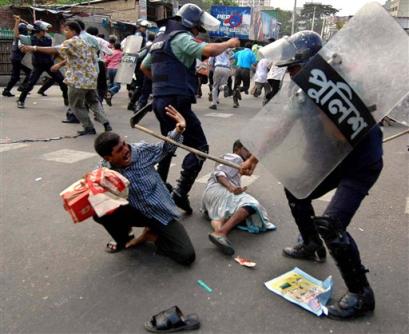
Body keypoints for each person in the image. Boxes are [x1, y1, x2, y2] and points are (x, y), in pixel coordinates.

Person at [241, 31, 383, 320]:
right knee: (296, 189)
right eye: (289, 70)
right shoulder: (303, 90)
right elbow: (282, 127)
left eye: (295, 68)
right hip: (331, 161)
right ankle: (310, 242)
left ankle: (361, 293)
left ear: (314, 64)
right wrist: (254, 159)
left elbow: (338, 135)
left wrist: (321, 109)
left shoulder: (344, 86)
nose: (291, 75)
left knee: (332, 224)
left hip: (360, 163)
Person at [141, 3, 240, 214]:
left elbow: (144, 67)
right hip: (176, 104)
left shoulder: (160, 39)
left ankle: (157, 190)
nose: (199, 33)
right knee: (200, 148)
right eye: (198, 29)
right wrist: (229, 43)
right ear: (191, 25)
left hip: (161, 101)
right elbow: (208, 49)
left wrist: (161, 88)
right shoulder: (180, 37)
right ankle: (180, 192)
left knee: (169, 146)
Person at [93, 105, 195, 266]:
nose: (127, 150)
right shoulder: (104, 170)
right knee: (99, 211)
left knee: (186, 255)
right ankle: (124, 238)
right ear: (108, 157)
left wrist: (179, 130)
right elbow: (96, 194)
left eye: (125, 144)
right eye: (120, 150)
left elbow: (166, 147)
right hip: (136, 211)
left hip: (159, 211)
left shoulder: (140, 151)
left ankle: (151, 236)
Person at [22, 21, 112, 135]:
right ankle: (106, 123)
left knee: (76, 105)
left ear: (73, 31)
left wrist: (33, 48)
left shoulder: (71, 42)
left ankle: (89, 127)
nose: (65, 33)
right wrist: (59, 64)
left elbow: (54, 49)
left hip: (78, 81)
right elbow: (79, 57)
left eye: (66, 30)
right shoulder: (85, 42)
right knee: (94, 102)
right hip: (90, 79)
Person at [203, 140, 275, 255]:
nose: (249, 152)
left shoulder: (237, 162)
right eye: (246, 149)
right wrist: (231, 187)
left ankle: (218, 227)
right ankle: (221, 232)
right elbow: (219, 173)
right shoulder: (236, 157)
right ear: (237, 149)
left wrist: (252, 162)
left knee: (229, 212)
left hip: (210, 196)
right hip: (219, 190)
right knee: (251, 204)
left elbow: (248, 171)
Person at [17, 20, 68, 109]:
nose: (45, 32)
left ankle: (66, 98)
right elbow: (19, 40)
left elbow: (52, 50)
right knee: (30, 84)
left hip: (49, 64)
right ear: (38, 31)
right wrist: (22, 47)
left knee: (62, 81)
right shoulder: (30, 39)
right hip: (38, 65)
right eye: (43, 31)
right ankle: (21, 100)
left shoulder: (48, 39)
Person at [2, 16, 32, 97]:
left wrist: (22, 22)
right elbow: (16, 33)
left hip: (16, 58)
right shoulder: (21, 38)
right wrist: (17, 22)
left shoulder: (19, 38)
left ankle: (10, 90)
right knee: (21, 75)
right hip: (17, 59)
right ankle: (11, 90)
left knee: (26, 73)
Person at [232, 42, 256, 108]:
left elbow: (232, 57)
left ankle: (235, 102)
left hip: (238, 69)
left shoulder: (239, 52)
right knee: (246, 86)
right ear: (251, 48)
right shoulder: (251, 53)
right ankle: (239, 89)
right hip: (245, 70)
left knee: (236, 85)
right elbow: (254, 63)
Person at [104, 42, 123, 106]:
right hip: (117, 69)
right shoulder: (121, 53)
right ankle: (109, 92)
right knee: (117, 86)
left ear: (114, 47)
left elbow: (106, 61)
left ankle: (108, 95)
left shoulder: (110, 52)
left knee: (110, 84)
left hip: (109, 69)